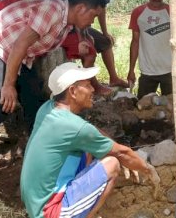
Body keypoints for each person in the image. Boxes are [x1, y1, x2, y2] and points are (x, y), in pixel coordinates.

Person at [0, 0, 107, 189]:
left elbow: (37, 48)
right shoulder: (51, 11)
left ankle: (39, 151)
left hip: (21, 55)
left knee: (35, 101)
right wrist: (8, 85)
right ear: (81, 8)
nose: (93, 22)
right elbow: (19, 46)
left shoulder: (66, 23)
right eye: (94, 16)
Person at [20, 62, 160, 218]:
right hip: (49, 211)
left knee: (88, 149)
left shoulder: (49, 108)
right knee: (112, 164)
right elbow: (121, 153)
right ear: (73, 91)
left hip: (36, 200)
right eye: (88, 85)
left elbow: (91, 133)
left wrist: (124, 155)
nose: (93, 89)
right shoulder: (74, 127)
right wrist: (147, 169)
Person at [77, 0, 128, 94]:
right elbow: (78, 11)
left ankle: (114, 78)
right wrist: (81, 34)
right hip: (76, 24)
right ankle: (90, 84)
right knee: (88, 48)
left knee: (106, 42)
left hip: (87, 24)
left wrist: (105, 32)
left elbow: (102, 8)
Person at [127, 0, 173, 99]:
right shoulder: (138, 12)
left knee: (172, 108)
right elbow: (135, 42)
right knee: (143, 108)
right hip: (147, 71)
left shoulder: (172, 11)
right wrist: (131, 70)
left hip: (169, 70)